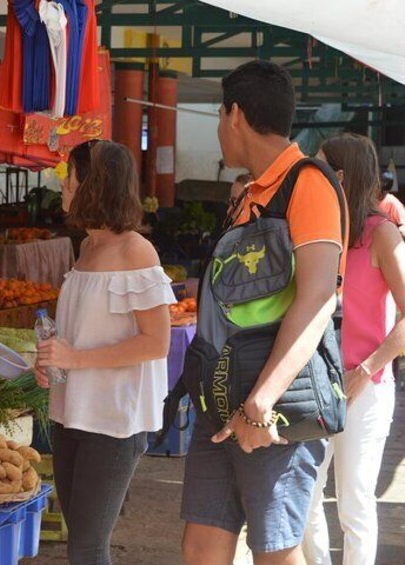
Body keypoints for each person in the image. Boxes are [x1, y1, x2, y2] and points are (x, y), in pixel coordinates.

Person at [181, 60, 347, 565]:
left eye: (218, 115)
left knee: (275, 550)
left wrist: (262, 401)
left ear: (235, 115)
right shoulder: (249, 194)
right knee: (201, 548)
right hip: (219, 404)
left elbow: (319, 297)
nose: (218, 130)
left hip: (270, 409)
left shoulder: (308, 184)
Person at [35, 140, 174, 565]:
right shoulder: (86, 248)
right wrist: (53, 361)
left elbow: (157, 342)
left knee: (88, 546)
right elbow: (84, 330)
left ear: (93, 184)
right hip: (70, 410)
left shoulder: (136, 250)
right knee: (81, 537)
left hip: (114, 420)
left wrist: (74, 359)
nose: (63, 184)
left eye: (70, 175)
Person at [302, 134, 402, 565]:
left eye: (320, 167)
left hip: (364, 387)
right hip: (315, 383)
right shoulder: (320, 229)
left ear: (339, 176)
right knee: (304, 493)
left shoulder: (382, 233)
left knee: (354, 503)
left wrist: (367, 369)